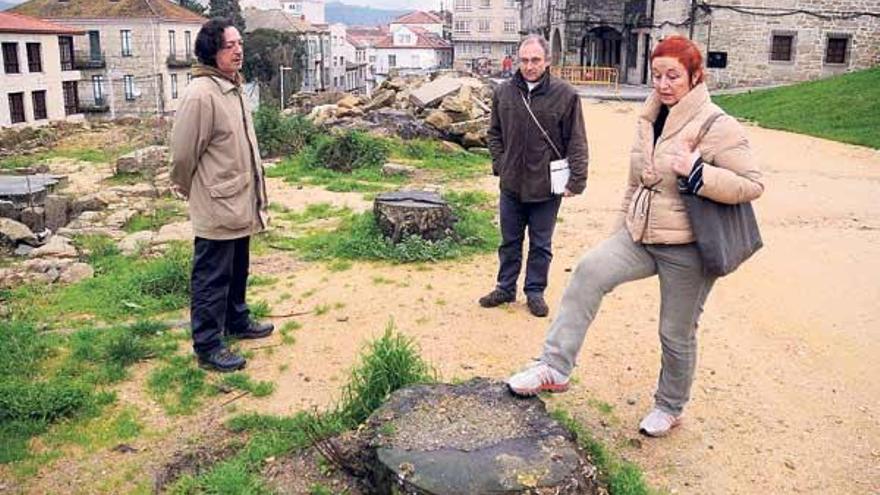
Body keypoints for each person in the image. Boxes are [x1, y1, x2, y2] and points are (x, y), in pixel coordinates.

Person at [506, 35, 764, 437]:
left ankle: (670, 405)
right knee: (590, 270)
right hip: (641, 234)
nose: (662, 84)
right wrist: (617, 235)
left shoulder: (717, 123)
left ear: (696, 76)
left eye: (673, 76)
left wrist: (698, 173)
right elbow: (634, 184)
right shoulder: (648, 117)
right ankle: (554, 367)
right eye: (657, 74)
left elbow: (751, 183)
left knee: (675, 332)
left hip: (689, 247)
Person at [170, 18, 274, 372]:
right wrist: (189, 190)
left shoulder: (231, 86)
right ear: (211, 52)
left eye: (239, 43)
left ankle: (237, 321)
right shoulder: (201, 94)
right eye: (229, 45)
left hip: (239, 200)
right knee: (212, 276)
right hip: (216, 203)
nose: (238, 50)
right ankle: (208, 345)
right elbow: (183, 155)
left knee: (238, 268)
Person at [480, 34, 588, 317]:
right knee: (509, 241)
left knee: (541, 244)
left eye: (536, 60)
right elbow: (494, 133)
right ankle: (505, 287)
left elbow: (576, 140)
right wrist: (500, 164)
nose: (529, 66)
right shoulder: (503, 92)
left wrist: (577, 179)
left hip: (546, 185)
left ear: (547, 61)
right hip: (512, 182)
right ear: (518, 60)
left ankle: (535, 291)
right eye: (525, 60)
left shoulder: (566, 95)